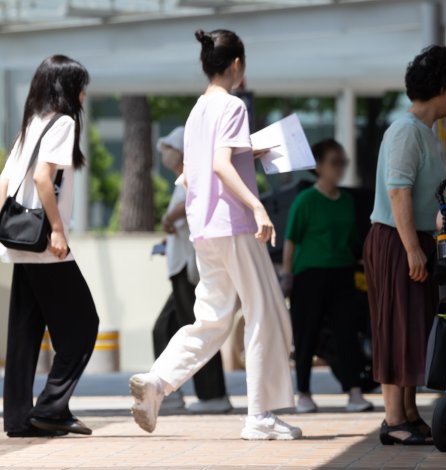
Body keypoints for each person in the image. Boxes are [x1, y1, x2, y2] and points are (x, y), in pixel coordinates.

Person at [129, 28, 301, 441]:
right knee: (267, 315)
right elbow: (222, 165)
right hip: (234, 224)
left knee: (211, 319)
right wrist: (258, 206)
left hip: (204, 229)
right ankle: (260, 415)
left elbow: (194, 172)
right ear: (237, 65)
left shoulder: (196, 112)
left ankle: (157, 380)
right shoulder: (234, 106)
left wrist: (247, 153)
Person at [0, 55, 99, 437]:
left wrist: (5, 233)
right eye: (81, 86)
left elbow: (2, 185)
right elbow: (42, 178)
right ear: (68, 89)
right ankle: (53, 408)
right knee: (85, 324)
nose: (85, 94)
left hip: (21, 242)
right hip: (44, 246)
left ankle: (20, 419)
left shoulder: (31, 124)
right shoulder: (64, 122)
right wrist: (56, 230)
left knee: (25, 333)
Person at [365, 45, 446, 445]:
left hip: (410, 237)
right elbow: (398, 191)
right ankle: (393, 419)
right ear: (442, 87)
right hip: (395, 238)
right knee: (395, 323)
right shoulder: (406, 130)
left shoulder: (424, 132)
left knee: (411, 326)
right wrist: (411, 248)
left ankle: (407, 412)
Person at [281, 139, 374, 414]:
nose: (340, 168)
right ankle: (304, 392)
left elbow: (353, 241)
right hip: (309, 275)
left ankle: (355, 392)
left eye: (342, 162)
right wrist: (287, 274)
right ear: (318, 166)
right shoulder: (306, 200)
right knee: (306, 334)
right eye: (334, 162)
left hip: (343, 273)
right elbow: (290, 240)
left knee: (347, 332)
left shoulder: (347, 200)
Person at [151, 127, 232, 414]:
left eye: (169, 149)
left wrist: (168, 218)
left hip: (188, 267)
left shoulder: (196, 173)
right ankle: (163, 389)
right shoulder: (183, 176)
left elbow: (189, 206)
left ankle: (213, 395)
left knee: (197, 331)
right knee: (163, 329)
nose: (165, 156)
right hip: (180, 265)